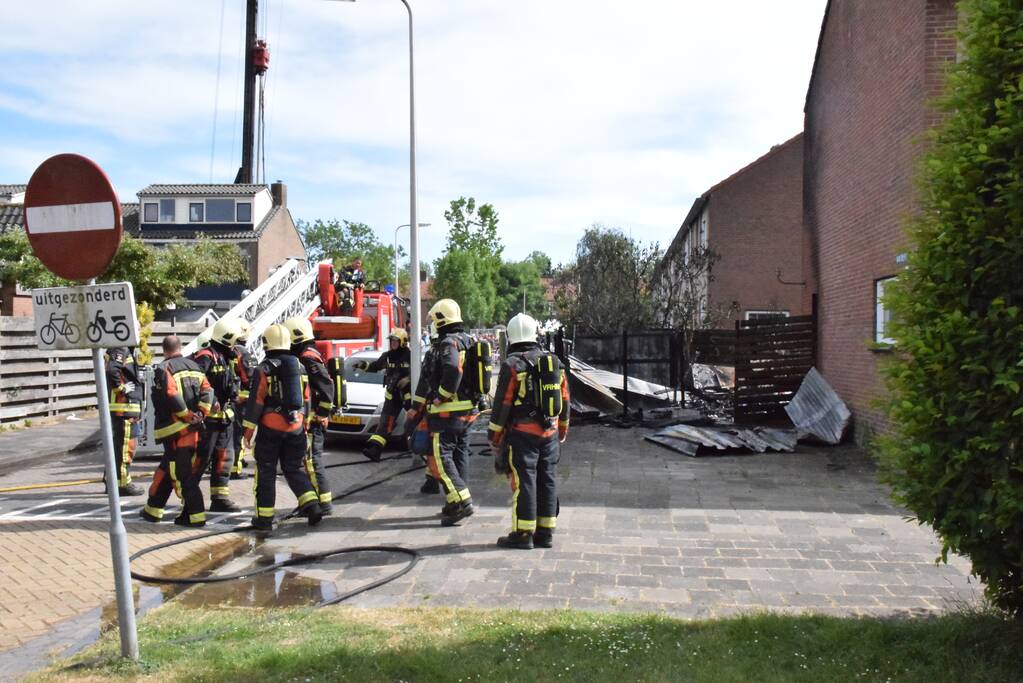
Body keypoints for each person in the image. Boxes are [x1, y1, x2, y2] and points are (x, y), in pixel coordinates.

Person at [488, 313, 570, 549]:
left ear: (511, 336)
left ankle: (523, 533)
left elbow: (502, 404)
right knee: (548, 479)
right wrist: (562, 430)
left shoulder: (513, 365)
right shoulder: (554, 362)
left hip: (523, 434)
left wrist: (493, 437)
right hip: (550, 433)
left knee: (524, 481)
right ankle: (545, 533)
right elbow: (565, 400)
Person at [242, 324, 323, 532]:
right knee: (294, 468)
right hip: (296, 427)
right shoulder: (299, 365)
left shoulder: (264, 368)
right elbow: (306, 397)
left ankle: (264, 519)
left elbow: (257, 401)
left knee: (266, 471)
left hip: (271, 428)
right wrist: (303, 423)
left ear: (266, 343)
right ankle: (312, 505)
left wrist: (248, 431)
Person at [406, 299, 479, 526]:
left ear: (440, 320)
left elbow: (451, 370)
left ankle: (462, 500)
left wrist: (441, 396)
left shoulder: (447, 344)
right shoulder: (469, 341)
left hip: (447, 413)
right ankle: (453, 504)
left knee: (440, 456)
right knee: (459, 455)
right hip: (467, 411)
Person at [140, 335, 214, 527]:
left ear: (164, 350)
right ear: (179, 347)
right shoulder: (195, 366)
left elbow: (171, 394)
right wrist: (201, 413)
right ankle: (152, 510)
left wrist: (187, 415)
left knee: (182, 476)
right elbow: (208, 391)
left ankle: (196, 517)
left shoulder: (164, 369)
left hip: (177, 433)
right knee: (166, 470)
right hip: (195, 429)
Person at [285, 316, 335, 513]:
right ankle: (311, 502)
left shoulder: (307, 357)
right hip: (309, 417)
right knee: (306, 461)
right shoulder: (306, 353)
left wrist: (322, 413)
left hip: (314, 419)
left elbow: (326, 386)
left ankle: (324, 504)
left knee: (312, 461)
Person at [193, 317, 243, 512]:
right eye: (234, 341)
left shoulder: (226, 357)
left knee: (224, 458)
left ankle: (219, 498)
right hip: (208, 420)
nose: (236, 345)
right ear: (226, 339)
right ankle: (190, 497)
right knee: (201, 459)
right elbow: (196, 382)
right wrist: (209, 401)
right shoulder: (206, 356)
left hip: (225, 417)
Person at [355, 328, 412, 462]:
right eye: (391, 341)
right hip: (392, 396)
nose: (392, 343)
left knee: (415, 421)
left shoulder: (410, 355)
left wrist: (408, 379)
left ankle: (421, 448)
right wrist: (362, 365)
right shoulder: (387, 356)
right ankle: (375, 451)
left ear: (403, 342)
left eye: (395, 341)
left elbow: (421, 371)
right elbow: (375, 366)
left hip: (407, 395)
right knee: (385, 424)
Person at [104, 347, 144, 496]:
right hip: (124, 408)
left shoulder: (127, 349)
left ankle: (112, 481)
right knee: (125, 449)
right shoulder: (120, 349)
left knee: (118, 448)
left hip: (127, 407)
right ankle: (122, 484)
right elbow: (111, 370)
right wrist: (121, 388)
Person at [229, 319, 257, 479]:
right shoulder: (245, 353)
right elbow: (253, 377)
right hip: (241, 401)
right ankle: (235, 469)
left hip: (229, 399)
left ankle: (234, 460)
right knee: (239, 434)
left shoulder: (224, 350)